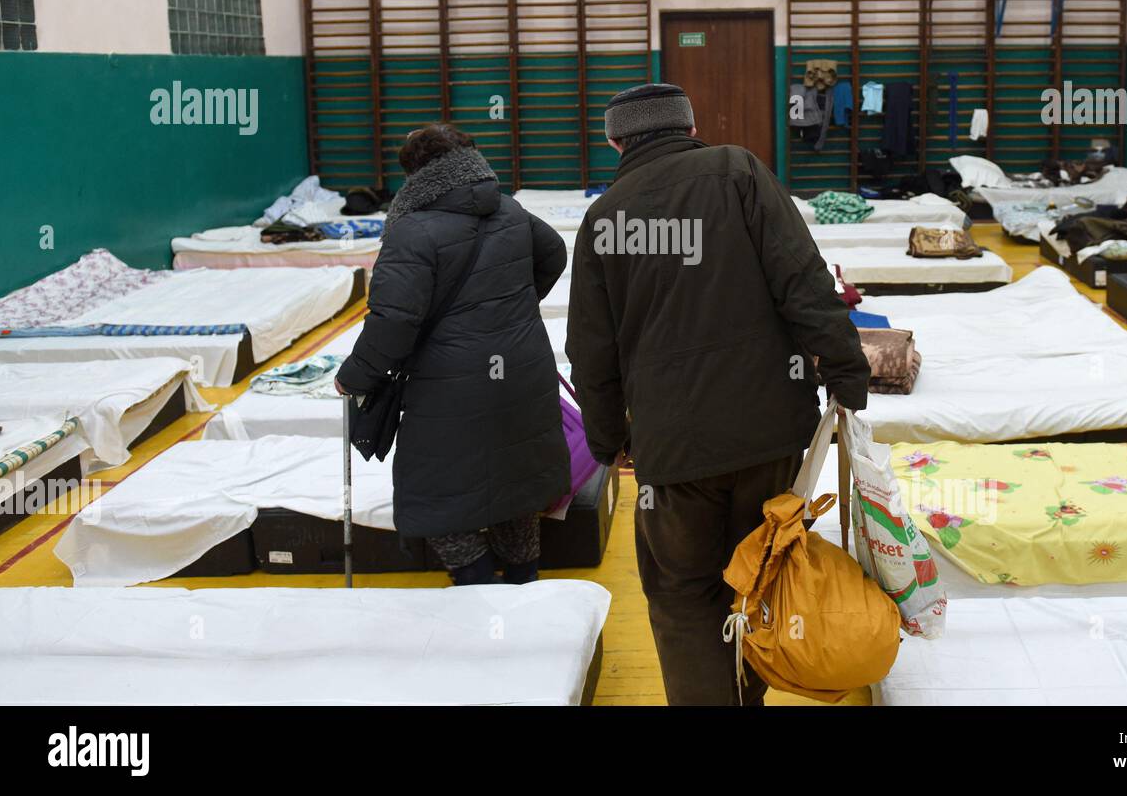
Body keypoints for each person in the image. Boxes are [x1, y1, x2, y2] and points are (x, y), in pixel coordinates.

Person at [565, 83, 872, 706]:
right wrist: (846, 373)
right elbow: (803, 278)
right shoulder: (737, 170)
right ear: (689, 125)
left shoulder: (604, 218)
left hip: (670, 450)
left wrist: (609, 441)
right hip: (769, 430)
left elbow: (591, 352)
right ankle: (750, 695)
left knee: (681, 595)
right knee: (759, 576)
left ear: (614, 140)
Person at [335, 124, 570, 586]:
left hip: (450, 385)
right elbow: (555, 254)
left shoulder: (412, 230)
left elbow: (393, 322)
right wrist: (511, 313)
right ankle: (524, 592)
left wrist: (354, 376)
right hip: (522, 369)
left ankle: (478, 590)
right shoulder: (510, 209)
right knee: (514, 478)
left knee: (441, 489)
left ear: (415, 174)